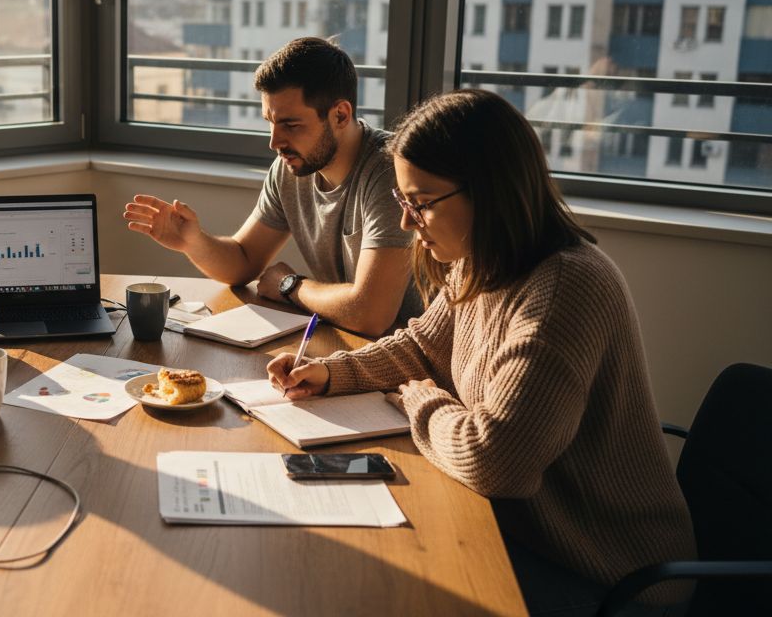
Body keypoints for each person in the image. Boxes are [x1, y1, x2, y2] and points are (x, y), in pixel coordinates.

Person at [267, 89, 695, 615]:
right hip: (521, 529)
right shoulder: (481, 261)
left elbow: (498, 462)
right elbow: (424, 347)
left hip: (603, 572)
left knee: (379, 589)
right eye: (404, 202)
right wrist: (332, 373)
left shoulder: (565, 287)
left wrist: (424, 405)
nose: (406, 223)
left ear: (489, 191)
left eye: (419, 203)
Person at [124, 37, 420, 337]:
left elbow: (369, 314)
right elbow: (243, 261)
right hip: (348, 341)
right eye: (270, 122)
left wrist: (290, 285)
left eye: (291, 125)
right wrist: (193, 241)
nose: (274, 142)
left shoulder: (391, 172)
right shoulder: (291, 168)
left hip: (411, 359)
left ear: (340, 115)